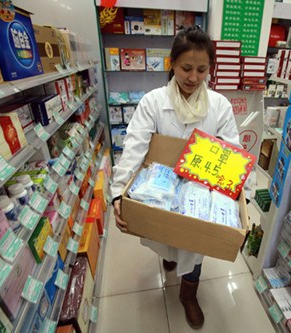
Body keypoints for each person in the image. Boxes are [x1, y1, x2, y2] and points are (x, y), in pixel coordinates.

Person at [111, 26, 241, 330]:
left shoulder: (219, 105)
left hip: (199, 194)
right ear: (172, 63)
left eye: (201, 69)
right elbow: (134, 146)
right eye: (186, 68)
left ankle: (188, 294)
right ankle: (169, 259)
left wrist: (233, 192)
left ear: (211, 68)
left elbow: (233, 150)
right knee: (166, 241)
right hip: (160, 189)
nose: (193, 78)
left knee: (194, 247)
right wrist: (118, 193)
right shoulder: (154, 101)